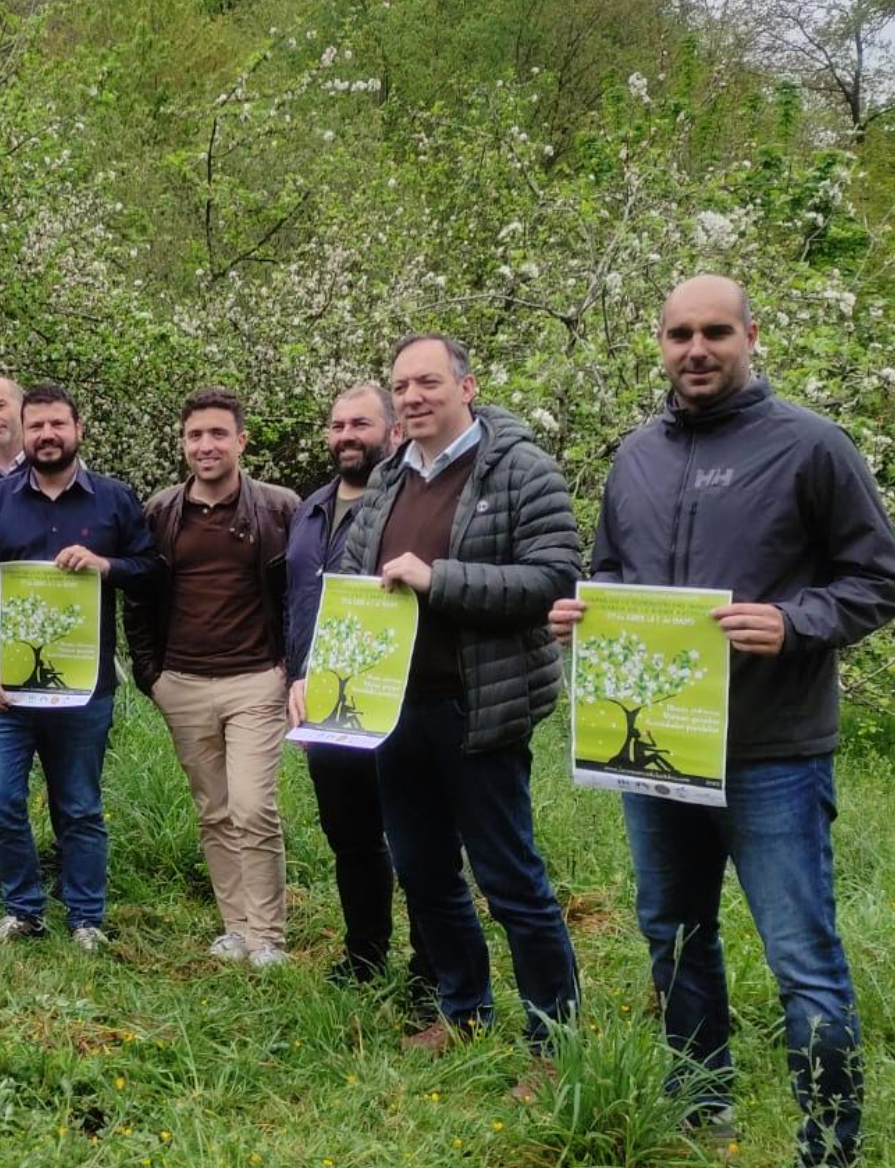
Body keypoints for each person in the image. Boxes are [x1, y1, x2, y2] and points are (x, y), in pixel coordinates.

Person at [549, 276, 895, 1166]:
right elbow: (614, 569)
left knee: (802, 959)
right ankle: (699, 1106)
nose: (697, 349)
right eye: (680, 334)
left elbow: (880, 580)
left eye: (715, 331)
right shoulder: (636, 456)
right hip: (659, 754)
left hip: (772, 751)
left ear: (751, 335)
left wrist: (795, 622)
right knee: (673, 937)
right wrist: (589, 613)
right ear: (661, 344)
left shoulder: (813, 446)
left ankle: (829, 1146)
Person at [338, 334, 580, 1081]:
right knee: (424, 872)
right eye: (401, 386)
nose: (412, 397)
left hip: (479, 709)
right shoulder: (387, 478)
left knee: (511, 882)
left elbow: (553, 578)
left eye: (429, 383)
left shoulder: (520, 470)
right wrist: (325, 672)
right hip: (395, 710)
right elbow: (352, 583)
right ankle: (464, 1009)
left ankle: (554, 1042)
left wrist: (438, 577)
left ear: (467, 388)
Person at [0, 383, 159, 951]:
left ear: (78, 429)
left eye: (57, 425)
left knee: (79, 807)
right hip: (4, 688)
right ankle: (23, 908)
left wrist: (106, 565)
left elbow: (152, 569)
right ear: (24, 433)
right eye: (37, 426)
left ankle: (86, 918)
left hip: (83, 689)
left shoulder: (114, 499)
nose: (47, 435)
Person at [123, 387, 299, 967]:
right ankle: (236, 927)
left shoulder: (279, 508)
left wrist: (290, 667)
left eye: (218, 434)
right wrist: (152, 676)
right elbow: (139, 599)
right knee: (215, 811)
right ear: (183, 443)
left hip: (256, 680)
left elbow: (300, 592)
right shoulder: (160, 511)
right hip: (183, 682)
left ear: (241, 441)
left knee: (252, 807)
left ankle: (268, 936)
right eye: (195, 435)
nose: (206, 445)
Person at [285, 383, 436, 993]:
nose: (347, 436)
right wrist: (296, 676)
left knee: (417, 841)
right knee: (350, 838)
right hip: (327, 702)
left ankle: (430, 972)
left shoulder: (412, 503)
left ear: (394, 431)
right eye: (338, 425)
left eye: (361, 424)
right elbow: (296, 603)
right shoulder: (310, 509)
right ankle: (364, 954)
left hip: (399, 702)